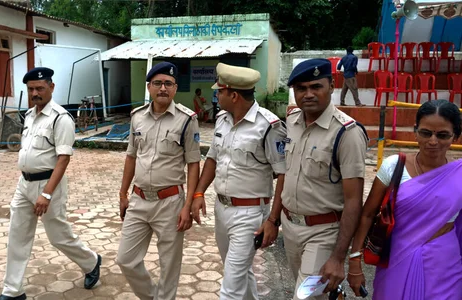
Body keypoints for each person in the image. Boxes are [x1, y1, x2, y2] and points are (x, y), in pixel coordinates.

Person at [0, 67, 101, 300]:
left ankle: (92, 262)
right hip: (24, 184)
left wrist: (47, 194)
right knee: (17, 235)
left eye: (40, 88)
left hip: (49, 185)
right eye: (31, 89)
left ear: (51, 88)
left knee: (58, 237)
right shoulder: (29, 115)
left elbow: (63, 159)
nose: (35, 93)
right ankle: (13, 291)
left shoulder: (61, 118)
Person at [191, 62, 287, 300]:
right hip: (222, 209)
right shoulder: (222, 119)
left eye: (219, 91)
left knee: (230, 289)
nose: (216, 95)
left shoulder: (269, 125)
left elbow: (284, 173)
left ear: (233, 95)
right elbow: (213, 158)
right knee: (240, 274)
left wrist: (273, 221)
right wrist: (198, 193)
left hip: (250, 214)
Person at [348, 100, 462, 299]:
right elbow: (367, 215)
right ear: (415, 131)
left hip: (444, 263)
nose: (433, 141)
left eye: (442, 135)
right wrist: (354, 260)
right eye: (426, 133)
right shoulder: (394, 166)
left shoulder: (459, 173)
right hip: (398, 257)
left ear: (456, 136)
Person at [279, 58, 368, 299]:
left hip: (323, 231)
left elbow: (353, 200)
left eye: (315, 87)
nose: (308, 94)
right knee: (315, 292)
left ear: (331, 85)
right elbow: (285, 175)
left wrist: (339, 258)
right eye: (300, 89)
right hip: (290, 227)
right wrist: (272, 219)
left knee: (304, 296)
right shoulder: (292, 122)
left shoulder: (347, 133)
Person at [116, 61, 201, 300]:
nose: (162, 88)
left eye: (168, 84)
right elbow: (131, 157)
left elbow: (194, 164)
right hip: (139, 200)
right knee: (126, 260)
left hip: (171, 202)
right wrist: (123, 194)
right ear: (149, 87)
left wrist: (188, 205)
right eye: (157, 83)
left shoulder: (186, 119)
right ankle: (153, 297)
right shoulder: (137, 117)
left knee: (169, 267)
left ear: (175, 88)